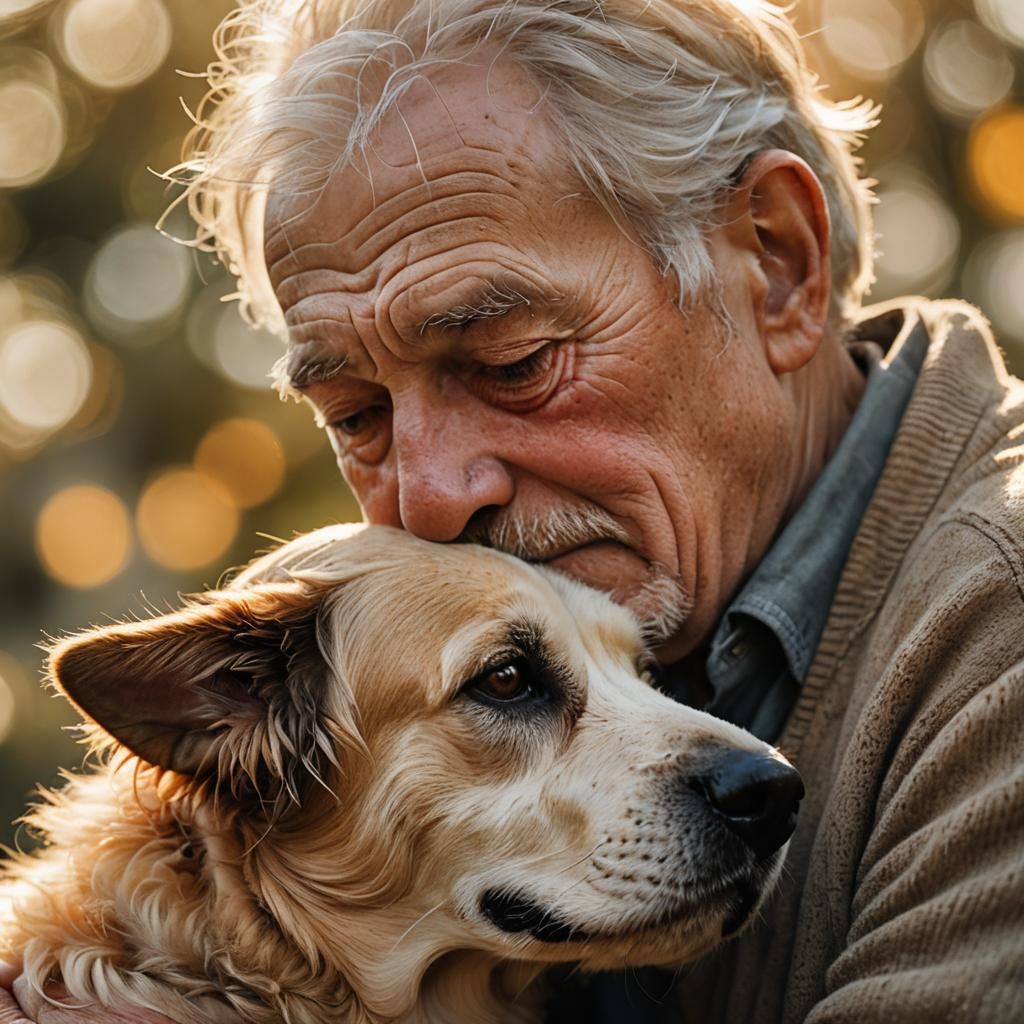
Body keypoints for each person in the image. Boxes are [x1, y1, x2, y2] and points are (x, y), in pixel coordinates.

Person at [3, 0, 1023, 1020]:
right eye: (357, 415)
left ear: (777, 261)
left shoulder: (999, 624)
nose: (429, 497)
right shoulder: (648, 569)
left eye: (514, 363)